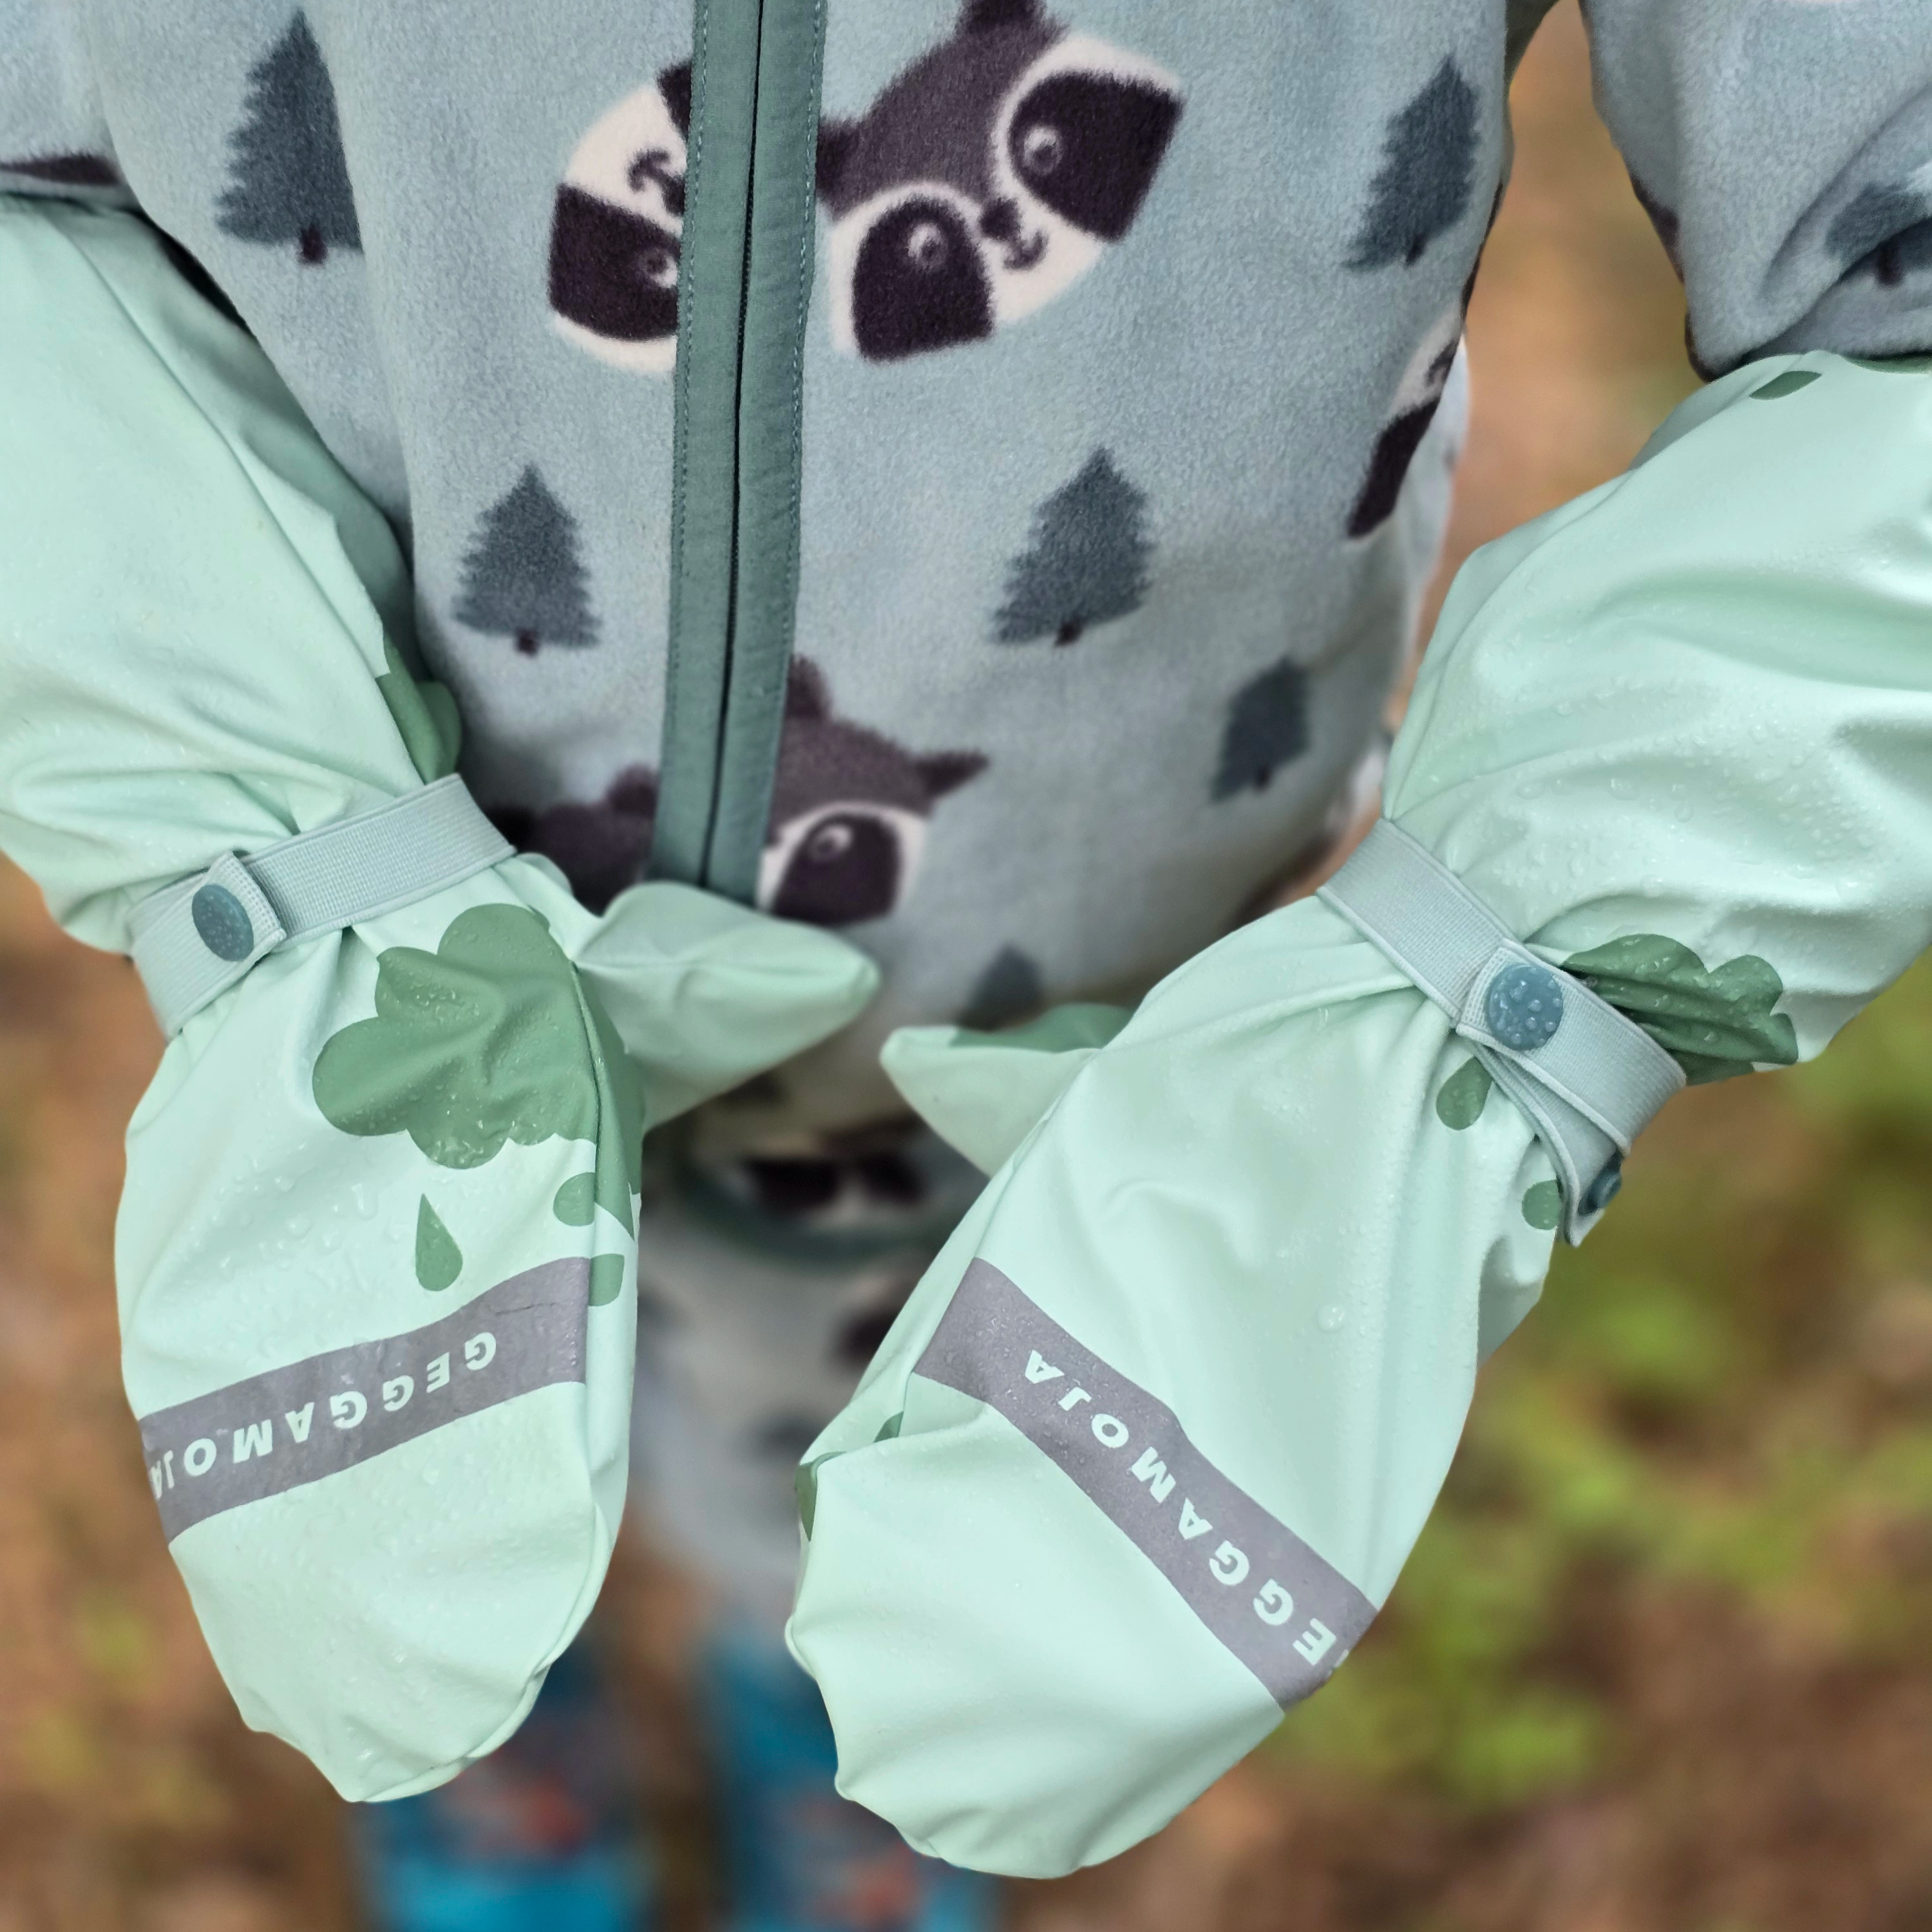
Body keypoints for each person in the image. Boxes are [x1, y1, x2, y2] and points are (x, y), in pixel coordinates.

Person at [3, 0, 1929, 1925]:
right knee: (419, 1387)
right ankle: (501, 1710)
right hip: (360, 816)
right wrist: (249, 832)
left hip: (1107, 964)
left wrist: (1461, 1028)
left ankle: (813, 1692)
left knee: (890, 1368)